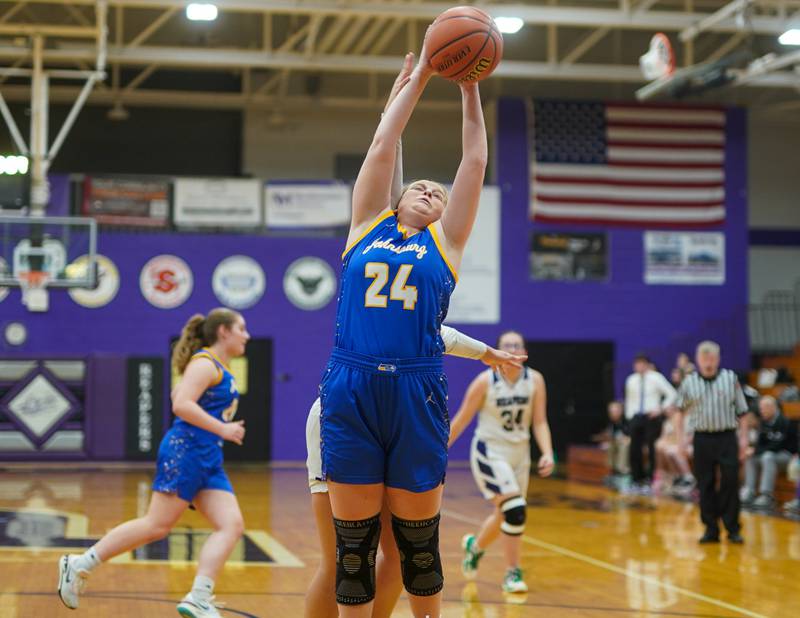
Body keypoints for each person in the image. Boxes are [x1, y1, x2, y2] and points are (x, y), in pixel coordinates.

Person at [319, 30, 488, 616]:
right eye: (419, 185)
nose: (427, 189)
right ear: (398, 199)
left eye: (437, 193)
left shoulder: (448, 245)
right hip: (353, 382)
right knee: (353, 550)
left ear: (445, 215)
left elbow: (474, 159)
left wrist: (468, 88)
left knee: (419, 551)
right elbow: (385, 144)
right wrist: (417, 80)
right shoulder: (367, 224)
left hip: (417, 387)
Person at [305, 326, 526, 618]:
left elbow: (442, 335)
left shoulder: (421, 313)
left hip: (399, 421)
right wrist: (486, 353)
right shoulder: (374, 306)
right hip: (347, 416)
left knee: (400, 554)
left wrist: (487, 353)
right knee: (344, 556)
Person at [58, 309, 249, 617]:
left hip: (208, 457)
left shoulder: (213, 366)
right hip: (186, 451)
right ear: (224, 331)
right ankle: (79, 564)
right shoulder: (205, 363)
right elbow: (180, 403)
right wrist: (223, 429)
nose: (247, 335)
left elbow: (182, 392)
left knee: (231, 525)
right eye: (241, 328)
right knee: (156, 526)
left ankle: (199, 596)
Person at [448, 330, 554, 594]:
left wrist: (548, 452)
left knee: (505, 513)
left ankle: (475, 547)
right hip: (490, 452)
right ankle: (512, 573)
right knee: (516, 510)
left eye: (517, 344)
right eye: (507, 345)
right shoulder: (485, 382)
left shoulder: (535, 380)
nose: (513, 348)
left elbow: (539, 421)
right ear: (498, 351)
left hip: (520, 454)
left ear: (524, 350)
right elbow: (461, 420)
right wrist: (438, 452)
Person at [674, 340, 749, 544]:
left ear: (718, 359)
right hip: (702, 438)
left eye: (712, 358)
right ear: (698, 360)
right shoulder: (689, 382)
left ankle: (732, 527)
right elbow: (678, 413)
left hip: (726, 437)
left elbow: (743, 413)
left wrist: (744, 441)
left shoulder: (730, 378)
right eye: (704, 358)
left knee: (730, 480)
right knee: (705, 483)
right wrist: (680, 441)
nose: (708, 362)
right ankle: (711, 528)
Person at [624, 354, 677, 494]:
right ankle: (636, 479)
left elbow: (672, 393)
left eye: (642, 363)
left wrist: (660, 408)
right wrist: (629, 416)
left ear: (647, 364)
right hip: (636, 417)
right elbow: (630, 399)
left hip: (651, 417)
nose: (639, 366)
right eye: (636, 363)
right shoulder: (631, 380)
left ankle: (650, 479)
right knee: (634, 448)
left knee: (652, 448)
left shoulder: (656, 377)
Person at [740, 395, 798, 509]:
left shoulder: (785, 422)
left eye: (763, 408)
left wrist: (756, 450)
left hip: (788, 456)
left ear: (772, 407)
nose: (761, 411)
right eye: (760, 408)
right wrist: (753, 451)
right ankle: (749, 491)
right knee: (750, 456)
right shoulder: (763, 423)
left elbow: (777, 445)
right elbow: (759, 443)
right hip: (771, 455)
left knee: (767, 456)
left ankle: (767, 495)